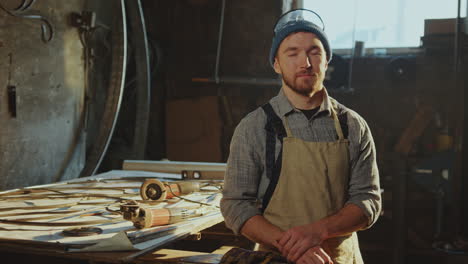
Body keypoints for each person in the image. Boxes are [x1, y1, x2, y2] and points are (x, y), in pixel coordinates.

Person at [220, 8, 382, 264]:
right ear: (276, 63)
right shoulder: (254, 127)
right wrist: (294, 246)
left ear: (327, 60)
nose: (304, 63)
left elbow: (368, 201)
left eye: (314, 52)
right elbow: (235, 205)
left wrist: (318, 232)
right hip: (275, 258)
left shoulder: (353, 125)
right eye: (292, 53)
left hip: (339, 259)